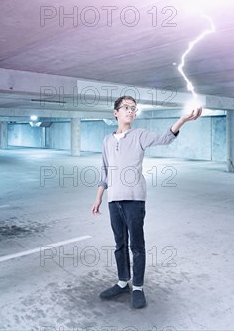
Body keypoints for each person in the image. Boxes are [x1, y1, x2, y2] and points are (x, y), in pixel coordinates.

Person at [91, 95, 202, 309]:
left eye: (134, 108)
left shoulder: (140, 135)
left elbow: (165, 138)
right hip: (114, 200)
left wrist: (183, 120)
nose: (131, 111)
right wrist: (98, 198)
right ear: (116, 112)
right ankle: (123, 282)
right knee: (119, 244)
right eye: (126, 108)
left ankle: (138, 287)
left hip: (134, 199)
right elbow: (104, 171)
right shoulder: (107, 140)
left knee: (137, 246)